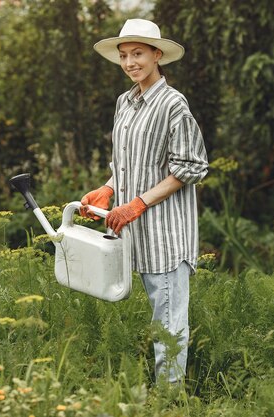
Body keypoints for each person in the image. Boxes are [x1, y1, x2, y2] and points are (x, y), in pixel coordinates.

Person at [80, 18, 208, 384]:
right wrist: (107, 188)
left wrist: (136, 203)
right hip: (134, 229)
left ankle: (170, 401)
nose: (130, 62)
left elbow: (191, 166)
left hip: (166, 232)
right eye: (123, 56)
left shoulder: (173, 104)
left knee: (168, 322)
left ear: (157, 55)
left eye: (138, 54)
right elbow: (126, 163)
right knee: (158, 315)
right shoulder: (125, 101)